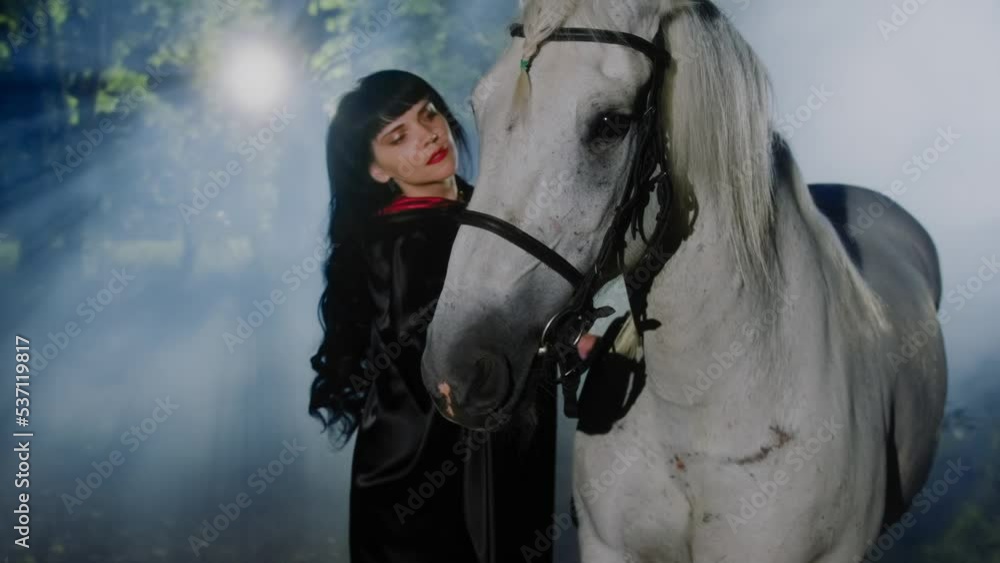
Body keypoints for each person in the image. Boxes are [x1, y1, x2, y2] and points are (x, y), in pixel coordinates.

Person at [308, 70, 560, 563]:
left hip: (485, 448)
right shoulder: (404, 240)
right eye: (397, 136)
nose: (427, 135)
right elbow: (436, 347)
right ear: (377, 170)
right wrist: (548, 341)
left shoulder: (479, 210)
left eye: (428, 114)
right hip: (423, 467)